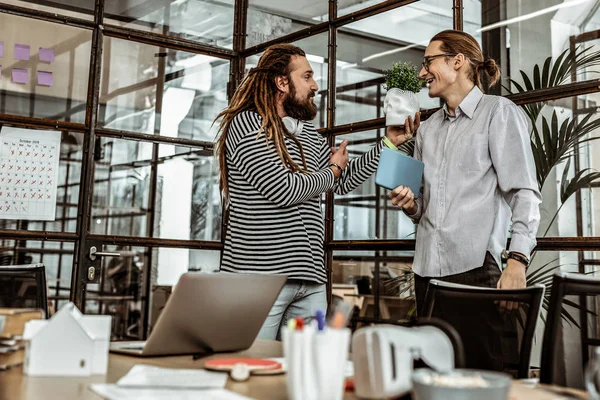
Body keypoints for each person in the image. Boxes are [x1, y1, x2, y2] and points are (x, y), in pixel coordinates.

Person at [214, 43, 417, 340]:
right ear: (282, 83)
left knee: (307, 370)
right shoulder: (247, 125)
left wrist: (387, 144)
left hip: (309, 279)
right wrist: (332, 170)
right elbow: (283, 189)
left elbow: (341, 181)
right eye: (307, 77)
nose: (315, 85)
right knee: (250, 363)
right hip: (258, 279)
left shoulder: (308, 133)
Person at [389, 30, 542, 370]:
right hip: (427, 275)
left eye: (428, 62)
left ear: (457, 62)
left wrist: (517, 260)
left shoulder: (498, 112)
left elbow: (524, 192)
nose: (421, 73)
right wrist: (410, 204)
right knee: (429, 379)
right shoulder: (426, 130)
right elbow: (424, 206)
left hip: (477, 271)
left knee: (485, 377)